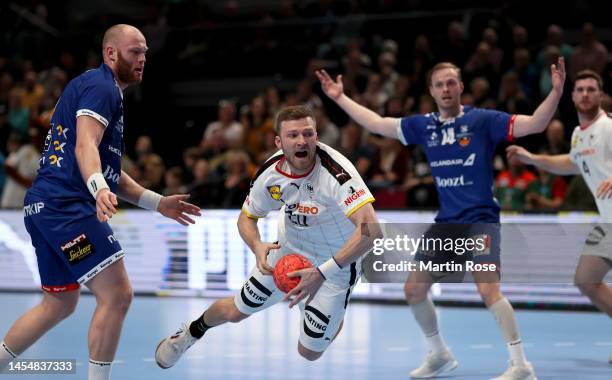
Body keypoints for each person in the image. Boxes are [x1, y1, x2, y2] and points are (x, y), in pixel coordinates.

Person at [316, 57, 566, 379]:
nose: (446, 89)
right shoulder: (425, 126)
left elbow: (535, 124)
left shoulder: (483, 121)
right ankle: (440, 355)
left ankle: (521, 365)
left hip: (480, 220)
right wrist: (339, 97)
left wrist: (556, 93)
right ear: (432, 91)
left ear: (461, 87)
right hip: (447, 222)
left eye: (451, 83)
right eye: (439, 84)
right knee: (414, 290)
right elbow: (378, 123)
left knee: (488, 290)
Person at [0, 24, 201, 380]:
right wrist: (96, 187)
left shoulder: (99, 90)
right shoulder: (101, 86)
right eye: (134, 52)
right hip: (67, 209)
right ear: (110, 53)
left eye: (144, 53)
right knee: (117, 294)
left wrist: (157, 203)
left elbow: (111, 174)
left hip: (43, 209)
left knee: (59, 302)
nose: (141, 59)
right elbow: (85, 147)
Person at [155, 105, 380, 367]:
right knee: (236, 311)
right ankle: (188, 334)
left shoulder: (337, 173)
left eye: (308, 134)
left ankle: (332, 311)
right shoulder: (270, 173)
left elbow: (371, 230)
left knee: (308, 352)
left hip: (335, 264)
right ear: (279, 141)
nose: (302, 141)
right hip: (288, 252)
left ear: (317, 137)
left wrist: (321, 273)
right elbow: (247, 217)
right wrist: (256, 245)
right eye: (293, 135)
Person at [506, 70, 612, 363]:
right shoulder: (579, 135)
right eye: (580, 89)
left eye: (592, 89)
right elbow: (571, 162)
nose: (586, 93)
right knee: (586, 279)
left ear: (601, 95)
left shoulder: (609, 127)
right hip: (608, 222)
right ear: (574, 96)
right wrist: (533, 159)